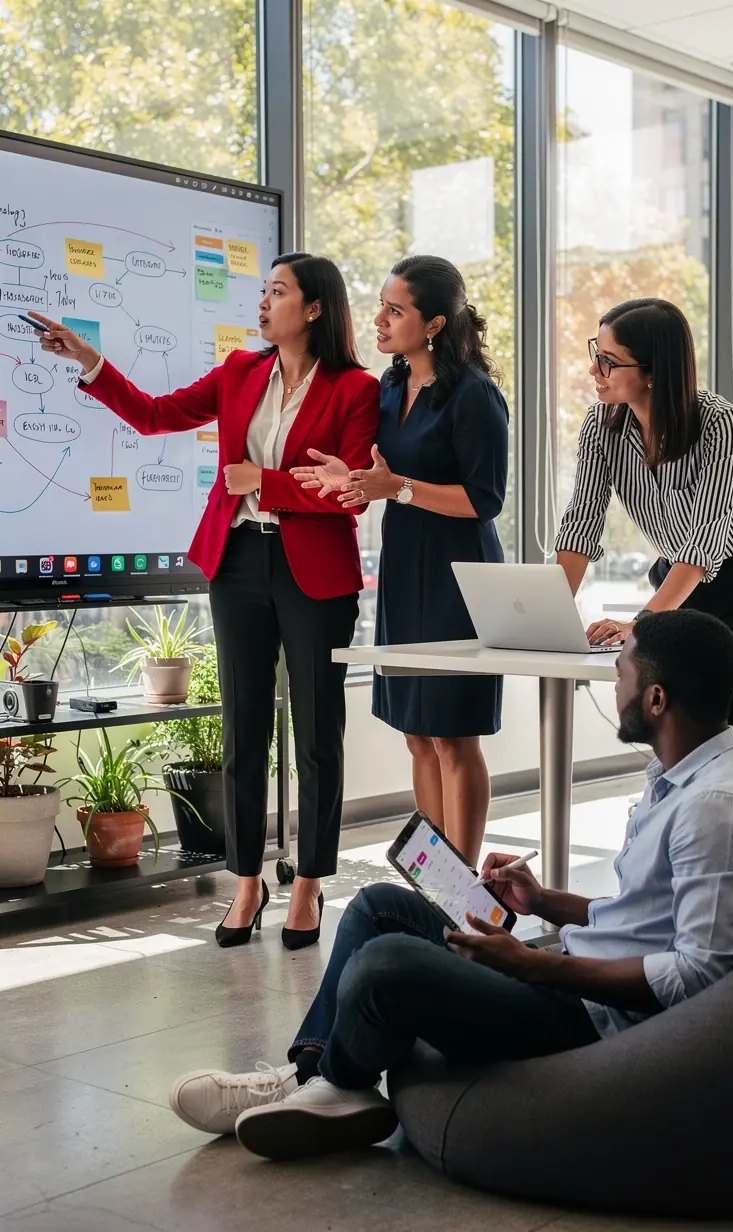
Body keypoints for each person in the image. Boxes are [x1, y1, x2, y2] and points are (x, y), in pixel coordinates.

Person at [168, 610, 733, 1160]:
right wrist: (544, 900)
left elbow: (695, 977)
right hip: (573, 973)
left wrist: (531, 966)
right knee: (378, 907)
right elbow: (647, 915)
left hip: (585, 1019)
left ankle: (331, 1084)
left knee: (386, 965)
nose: (614, 684)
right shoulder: (681, 776)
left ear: (657, 700)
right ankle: (317, 1078)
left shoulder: (718, 810)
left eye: (623, 675)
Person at [31, 253, 380, 951]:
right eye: (261, 291)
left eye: (276, 292)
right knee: (244, 727)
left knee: (316, 736)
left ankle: (309, 883)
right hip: (238, 560)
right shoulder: (240, 374)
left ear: (313, 309)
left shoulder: (356, 388)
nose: (262, 303)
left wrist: (265, 480)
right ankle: (246, 882)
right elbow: (156, 415)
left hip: (316, 570)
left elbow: (347, 487)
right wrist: (92, 360)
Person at [290, 255, 509, 865]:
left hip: (458, 576)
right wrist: (352, 477)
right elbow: (380, 472)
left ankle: (465, 893)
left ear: (434, 322)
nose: (380, 320)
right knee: (416, 733)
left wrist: (400, 489)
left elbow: (484, 500)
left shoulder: (476, 395)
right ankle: (437, 881)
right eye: (381, 305)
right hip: (404, 569)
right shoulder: (389, 385)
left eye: (396, 310)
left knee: (453, 737)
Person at [554, 297, 733, 758]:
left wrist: (641, 625)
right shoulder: (600, 426)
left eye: (609, 361)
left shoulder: (716, 420)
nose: (594, 371)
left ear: (653, 370)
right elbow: (582, 520)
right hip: (677, 581)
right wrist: (548, 616)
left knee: (731, 736)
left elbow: (704, 538)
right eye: (595, 354)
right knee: (672, 727)